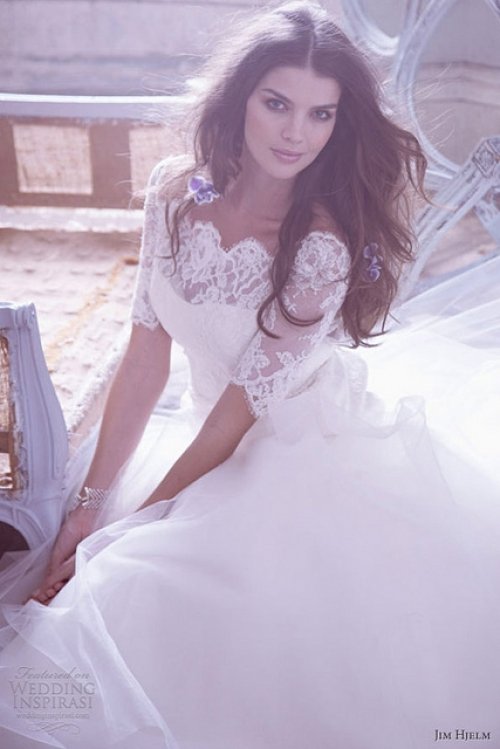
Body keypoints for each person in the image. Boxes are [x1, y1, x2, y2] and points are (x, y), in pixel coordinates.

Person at [1, 2, 500, 747]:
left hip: (288, 454)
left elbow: (236, 419)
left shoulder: (321, 246)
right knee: (79, 559)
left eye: (321, 114)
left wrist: (128, 526)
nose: (296, 133)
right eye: (277, 104)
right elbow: (145, 355)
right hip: (196, 432)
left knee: (140, 586)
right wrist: (92, 505)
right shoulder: (175, 193)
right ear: (239, 98)